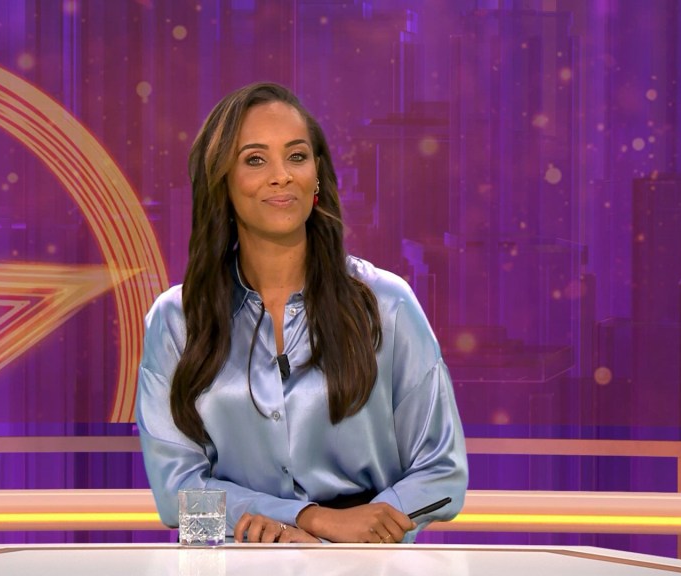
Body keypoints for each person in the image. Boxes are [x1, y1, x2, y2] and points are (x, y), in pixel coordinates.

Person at [136, 82, 467, 544]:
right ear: (222, 181)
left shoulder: (387, 305)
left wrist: (345, 539)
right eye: (255, 160)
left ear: (317, 177)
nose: (281, 176)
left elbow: (442, 474)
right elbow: (177, 498)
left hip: (365, 565)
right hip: (238, 563)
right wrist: (308, 519)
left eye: (296, 156)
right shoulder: (176, 321)